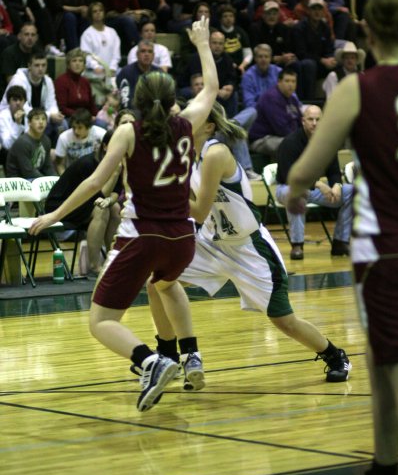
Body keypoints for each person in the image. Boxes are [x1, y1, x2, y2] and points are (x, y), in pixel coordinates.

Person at [286, 0, 398, 475]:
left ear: (370, 35)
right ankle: (381, 472)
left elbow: (308, 169)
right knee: (384, 356)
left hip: (387, 252)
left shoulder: (359, 89)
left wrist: (295, 195)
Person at [29, 17, 219, 413]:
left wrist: (54, 215)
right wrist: (202, 44)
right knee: (166, 286)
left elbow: (96, 182)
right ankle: (190, 355)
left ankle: (152, 360)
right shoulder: (187, 124)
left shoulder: (129, 131)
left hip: (143, 237)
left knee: (100, 321)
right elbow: (212, 89)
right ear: (171, 101)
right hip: (183, 239)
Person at [145, 102, 352, 388]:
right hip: (211, 242)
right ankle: (169, 355)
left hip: (249, 247)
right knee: (158, 280)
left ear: (208, 126)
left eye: (190, 116)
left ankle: (334, 355)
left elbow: (200, 210)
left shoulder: (216, 153)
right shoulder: (184, 155)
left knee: (284, 320)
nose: (183, 120)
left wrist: (161, 192)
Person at [276, 105, 353, 260]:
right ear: (303, 121)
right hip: (288, 188)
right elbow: (289, 176)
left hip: (313, 191)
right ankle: (297, 245)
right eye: (310, 119)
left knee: (353, 191)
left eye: (318, 119)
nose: (315, 123)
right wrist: (318, 184)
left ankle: (340, 242)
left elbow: (333, 171)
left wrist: (337, 185)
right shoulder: (290, 142)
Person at [46, 131, 121, 276]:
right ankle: (94, 266)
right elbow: (98, 194)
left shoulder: (117, 162)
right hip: (60, 205)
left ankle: (112, 261)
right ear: (105, 147)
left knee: (114, 207)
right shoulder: (88, 163)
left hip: (84, 204)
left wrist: (109, 200)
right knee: (101, 210)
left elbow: (115, 192)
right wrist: (115, 174)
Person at [0, 49, 65, 145]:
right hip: (14, 115)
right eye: (37, 65)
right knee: (39, 124)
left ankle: (55, 154)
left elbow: (52, 103)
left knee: (62, 124)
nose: (40, 69)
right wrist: (49, 115)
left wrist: (55, 114)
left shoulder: (48, 81)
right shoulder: (18, 80)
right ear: (29, 66)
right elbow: (23, 107)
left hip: (37, 116)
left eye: (43, 65)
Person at [248, 67, 302, 159]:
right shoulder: (271, 97)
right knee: (291, 145)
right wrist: (299, 140)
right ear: (279, 82)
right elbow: (281, 128)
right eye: (287, 81)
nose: (291, 85)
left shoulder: (293, 100)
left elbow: (300, 122)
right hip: (261, 139)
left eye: (293, 81)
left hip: (281, 137)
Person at [54, 108, 106, 174]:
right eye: (74, 127)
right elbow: (59, 165)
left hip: (95, 173)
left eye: (80, 127)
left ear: (89, 127)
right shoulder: (64, 137)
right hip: (72, 174)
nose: (76, 131)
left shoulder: (101, 134)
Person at [6, 107, 54, 178]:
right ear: (29, 122)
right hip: (18, 180)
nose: (41, 122)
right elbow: (28, 172)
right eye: (37, 118)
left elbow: (47, 167)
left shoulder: (46, 140)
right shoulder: (22, 143)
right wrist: (45, 182)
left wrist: (57, 180)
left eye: (43, 119)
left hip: (35, 176)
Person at [117, 39, 162, 109]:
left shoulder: (160, 73)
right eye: (143, 51)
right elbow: (126, 100)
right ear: (137, 55)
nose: (146, 54)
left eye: (150, 52)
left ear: (153, 56)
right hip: (132, 111)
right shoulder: (126, 72)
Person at [54, 48, 97, 121]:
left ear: (84, 65)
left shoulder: (85, 81)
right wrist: (83, 117)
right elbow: (62, 108)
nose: (77, 64)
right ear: (68, 64)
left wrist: (98, 115)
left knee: (103, 123)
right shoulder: (61, 81)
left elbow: (91, 106)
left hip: (86, 118)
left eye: (81, 61)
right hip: (69, 118)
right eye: (74, 61)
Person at [0, 21, 40, 88]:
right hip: (13, 94)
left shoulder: (38, 52)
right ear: (19, 36)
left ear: (36, 38)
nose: (30, 38)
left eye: (33, 35)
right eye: (26, 34)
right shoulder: (9, 53)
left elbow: (43, 77)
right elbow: (11, 83)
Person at [0, 85, 27, 166]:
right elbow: (7, 145)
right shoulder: (2, 117)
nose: (18, 103)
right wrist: (17, 124)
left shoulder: (30, 114)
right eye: (14, 100)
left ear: (24, 101)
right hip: (9, 153)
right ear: (9, 102)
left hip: (27, 150)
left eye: (20, 100)